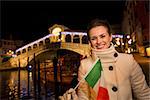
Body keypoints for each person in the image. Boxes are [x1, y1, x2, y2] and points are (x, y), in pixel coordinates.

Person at [59, 19, 150, 100]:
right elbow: (84, 96)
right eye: (94, 38)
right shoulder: (85, 65)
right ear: (90, 42)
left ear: (110, 37)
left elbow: (144, 94)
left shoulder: (128, 60)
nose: (99, 42)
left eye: (102, 36)